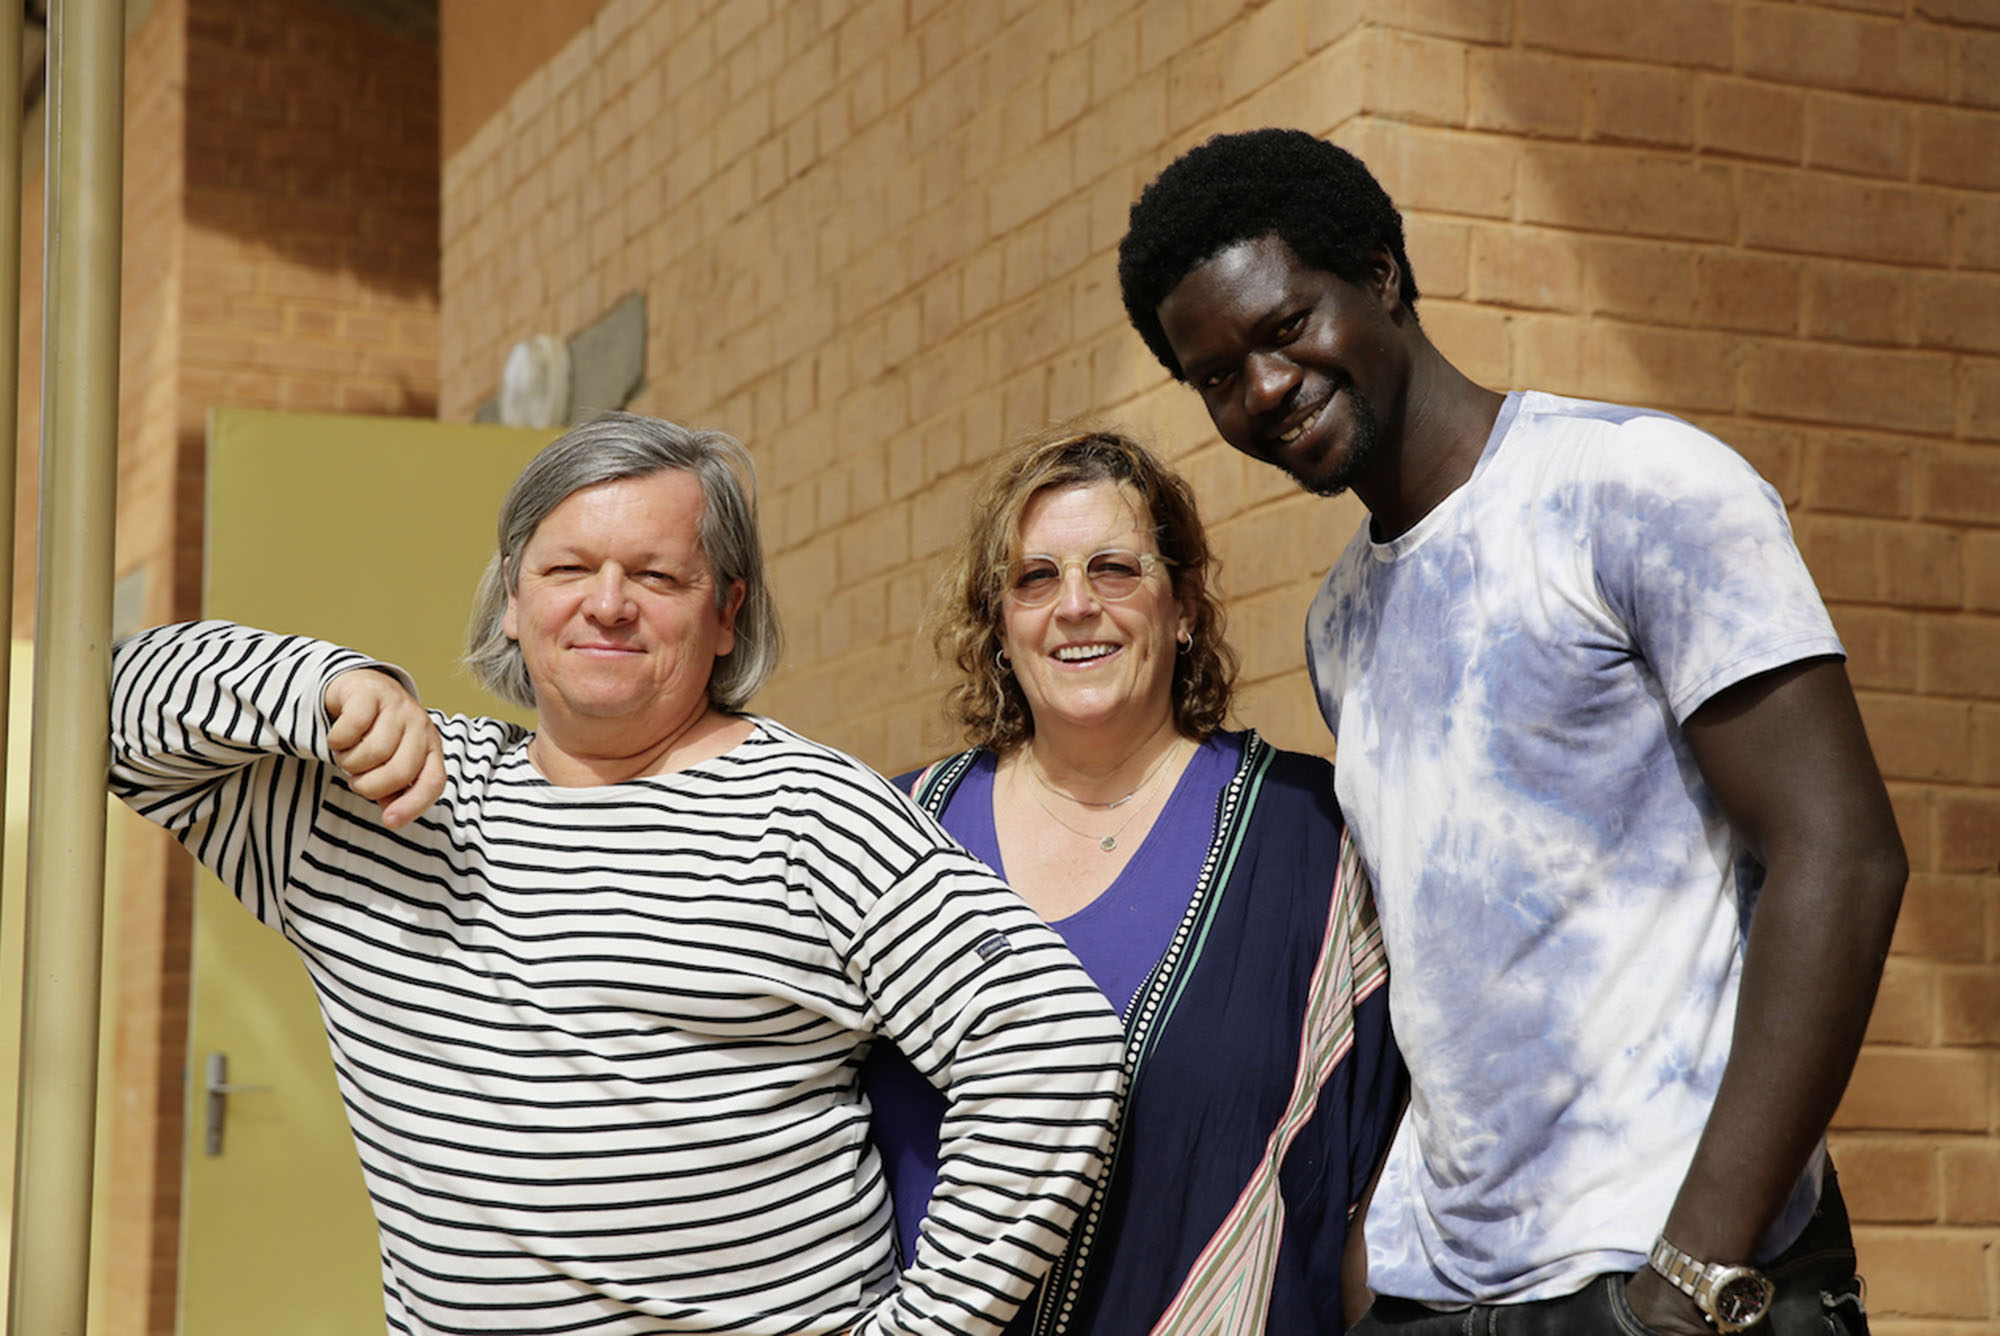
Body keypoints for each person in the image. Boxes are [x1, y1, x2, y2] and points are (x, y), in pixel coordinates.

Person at [1116, 129, 1907, 1336]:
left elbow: (1840, 856)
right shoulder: (1340, 622)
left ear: (1378, 275)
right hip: (1442, 1291)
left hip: (1666, 1277)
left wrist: (1690, 1276)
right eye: (1216, 373)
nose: (1262, 388)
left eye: (1285, 328)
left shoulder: (1634, 491)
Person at [108, 412, 1126, 1336]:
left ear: (725, 613)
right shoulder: (376, 801)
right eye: (568, 570)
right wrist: (327, 684)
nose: (607, 605)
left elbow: (1050, 1046)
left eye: (654, 575)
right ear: (511, 599)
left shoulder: (813, 813)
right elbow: (104, 706)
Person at [862, 427, 1402, 1336]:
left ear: (1184, 605)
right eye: (1035, 579)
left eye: (1115, 569)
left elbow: (1376, 1191)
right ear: (999, 623)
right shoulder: (894, 837)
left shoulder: (1308, 834)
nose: (1075, 606)